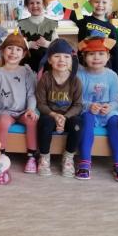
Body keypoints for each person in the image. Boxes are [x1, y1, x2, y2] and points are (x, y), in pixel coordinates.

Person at [76, 36, 118, 182]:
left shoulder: (112, 76)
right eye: (91, 54)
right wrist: (89, 106)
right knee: (86, 119)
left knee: (115, 121)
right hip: (88, 110)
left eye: (101, 54)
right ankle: (85, 161)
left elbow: (116, 100)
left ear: (108, 56)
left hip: (107, 110)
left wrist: (110, 107)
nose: (96, 58)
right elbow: (77, 99)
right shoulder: (80, 75)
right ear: (84, 57)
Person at [0, 32, 38, 170]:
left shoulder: (26, 71)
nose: (13, 52)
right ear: (3, 51)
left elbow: (31, 94)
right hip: (5, 111)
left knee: (32, 120)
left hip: (23, 111)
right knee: (3, 122)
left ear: (23, 54)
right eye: (10, 48)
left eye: (18, 49)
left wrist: (31, 109)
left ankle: (32, 156)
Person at [36, 39, 83, 177]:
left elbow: (78, 105)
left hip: (68, 116)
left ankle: (68, 157)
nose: (62, 60)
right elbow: (41, 103)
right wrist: (54, 115)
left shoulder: (75, 80)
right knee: (45, 124)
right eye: (57, 56)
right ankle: (44, 157)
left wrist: (64, 117)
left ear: (71, 60)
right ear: (49, 60)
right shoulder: (45, 78)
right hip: (50, 115)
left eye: (66, 56)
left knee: (78, 124)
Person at [71, 0, 118, 74]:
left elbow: (115, 53)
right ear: (90, 3)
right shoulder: (83, 20)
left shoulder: (112, 29)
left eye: (104, 2)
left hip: (103, 70)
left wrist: (115, 74)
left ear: (110, 5)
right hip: (83, 67)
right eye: (97, 2)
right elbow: (69, 10)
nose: (100, 5)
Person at [18, 0, 59, 72]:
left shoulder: (51, 24)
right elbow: (16, 44)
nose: (35, 6)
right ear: (27, 6)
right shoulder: (22, 24)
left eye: (38, 3)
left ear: (44, 4)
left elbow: (58, 46)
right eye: (31, 3)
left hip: (47, 66)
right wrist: (28, 44)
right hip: (27, 66)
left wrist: (46, 43)